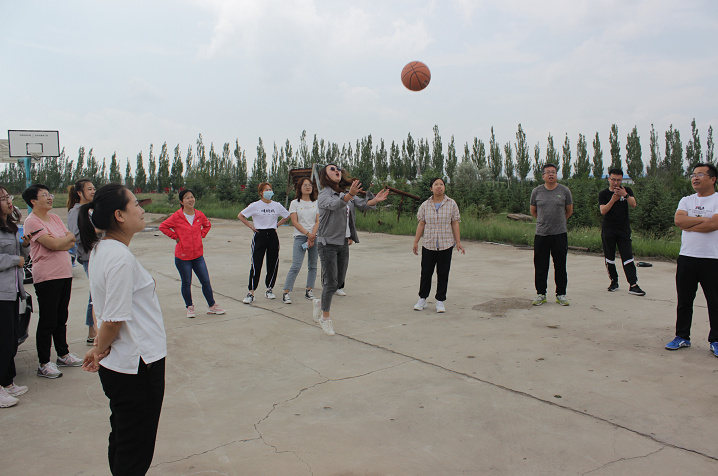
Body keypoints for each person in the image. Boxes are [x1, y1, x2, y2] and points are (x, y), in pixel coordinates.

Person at [80, 183, 167, 475]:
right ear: (119, 215)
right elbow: (113, 319)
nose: (141, 210)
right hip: (137, 365)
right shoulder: (119, 258)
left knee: (123, 436)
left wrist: (99, 347)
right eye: (136, 205)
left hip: (123, 364)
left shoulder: (102, 249)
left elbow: (101, 306)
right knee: (135, 447)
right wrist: (98, 348)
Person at [313, 164, 389, 335]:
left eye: (338, 169)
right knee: (330, 282)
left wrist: (375, 200)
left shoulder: (345, 193)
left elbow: (362, 203)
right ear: (325, 176)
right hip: (327, 243)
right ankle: (325, 318)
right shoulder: (324, 194)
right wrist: (349, 195)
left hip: (343, 243)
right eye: (332, 169)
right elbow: (335, 205)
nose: (337, 171)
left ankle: (319, 303)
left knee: (338, 282)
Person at [22, 184, 82, 378]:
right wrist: (61, 242)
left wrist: (61, 242)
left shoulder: (54, 217)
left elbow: (71, 239)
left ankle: (63, 354)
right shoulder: (32, 221)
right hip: (47, 276)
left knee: (61, 317)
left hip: (64, 273)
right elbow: (55, 243)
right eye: (44, 195)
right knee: (48, 320)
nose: (49, 197)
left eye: (50, 194)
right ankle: (44, 363)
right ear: (33, 201)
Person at [665, 163, 718, 358]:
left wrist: (691, 223)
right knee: (684, 300)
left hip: (712, 258)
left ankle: (716, 340)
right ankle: (682, 337)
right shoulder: (686, 200)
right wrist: (705, 221)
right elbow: (679, 221)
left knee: (715, 302)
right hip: (687, 257)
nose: (695, 178)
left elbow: (714, 225)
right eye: (693, 174)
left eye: (700, 174)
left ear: (713, 179)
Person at [159, 189, 225, 318]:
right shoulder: (176, 216)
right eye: (187, 198)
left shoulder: (199, 215)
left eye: (192, 197)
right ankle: (189, 307)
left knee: (205, 281)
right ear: (181, 201)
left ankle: (211, 306)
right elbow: (162, 226)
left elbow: (207, 225)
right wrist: (175, 236)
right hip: (183, 257)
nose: (191, 200)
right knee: (186, 283)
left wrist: (201, 234)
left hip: (198, 256)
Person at [412, 178, 465, 313]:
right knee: (426, 273)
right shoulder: (425, 205)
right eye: (436, 184)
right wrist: (416, 242)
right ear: (431, 188)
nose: (439, 186)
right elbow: (421, 224)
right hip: (428, 244)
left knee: (443, 273)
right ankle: (422, 298)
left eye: (441, 184)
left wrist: (458, 242)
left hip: (446, 244)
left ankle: (440, 301)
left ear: (444, 187)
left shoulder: (451, 204)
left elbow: (455, 223)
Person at [0, 187, 31, 407]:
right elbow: (13, 259)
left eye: (8, 197)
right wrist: (14, 260)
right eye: (2, 198)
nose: (8, 201)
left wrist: (25, 246)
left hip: (13, 290)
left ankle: (7, 382)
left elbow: (21, 256)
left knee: (11, 339)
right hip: (1, 292)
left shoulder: (9, 226)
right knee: (3, 341)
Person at [237, 183, 289, 304]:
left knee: (273, 263)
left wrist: (276, 225)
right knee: (256, 263)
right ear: (261, 192)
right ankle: (251, 292)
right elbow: (241, 215)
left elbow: (287, 216)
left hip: (272, 235)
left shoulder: (277, 205)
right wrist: (251, 227)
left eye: (270, 189)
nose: (269, 191)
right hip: (260, 234)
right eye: (266, 190)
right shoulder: (255, 205)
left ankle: (269, 289)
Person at [530, 163, 573, 306]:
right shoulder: (537, 191)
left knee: (560, 265)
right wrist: (544, 222)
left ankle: (561, 294)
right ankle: (541, 294)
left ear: (556, 175)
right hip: (541, 234)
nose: (551, 174)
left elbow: (569, 210)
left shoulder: (564, 191)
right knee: (541, 266)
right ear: (543, 176)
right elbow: (533, 211)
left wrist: (559, 222)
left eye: (553, 172)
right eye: (548, 172)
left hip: (559, 234)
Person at [598, 169, 645, 296]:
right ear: (609, 179)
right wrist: (613, 199)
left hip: (623, 229)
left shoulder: (627, 190)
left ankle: (633, 284)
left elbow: (634, 204)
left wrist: (625, 195)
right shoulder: (603, 194)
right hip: (609, 229)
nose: (616, 182)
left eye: (618, 180)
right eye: (613, 179)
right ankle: (614, 281)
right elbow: (603, 211)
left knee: (627, 256)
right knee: (609, 257)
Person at [66, 178, 98, 344]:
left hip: (98, 255)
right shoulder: (75, 211)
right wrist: (96, 230)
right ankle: (92, 331)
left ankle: (96, 329)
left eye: (93, 188)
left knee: (98, 292)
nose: (93, 191)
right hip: (88, 257)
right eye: (89, 189)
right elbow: (74, 236)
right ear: (79, 193)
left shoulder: (90, 209)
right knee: (96, 293)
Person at [281, 178, 319, 304]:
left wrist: (312, 235)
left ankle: (309, 290)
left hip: (314, 237)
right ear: (300, 188)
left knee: (313, 266)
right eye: (305, 185)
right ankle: (286, 292)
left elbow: (318, 221)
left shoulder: (316, 202)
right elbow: (294, 221)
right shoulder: (295, 203)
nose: (308, 187)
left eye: (310, 185)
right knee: (296, 265)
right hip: (300, 237)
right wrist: (307, 234)